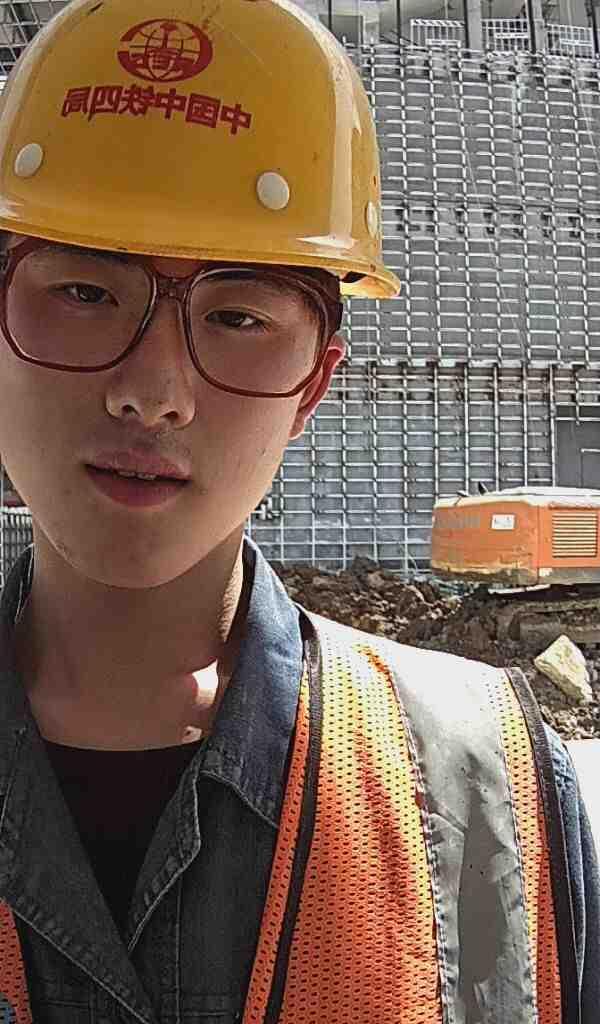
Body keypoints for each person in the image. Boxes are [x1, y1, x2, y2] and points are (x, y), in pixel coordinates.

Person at [0, 0, 597, 1021]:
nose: (154, 392)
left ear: (315, 381)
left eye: (236, 316)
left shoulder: (488, 783)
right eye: (87, 293)